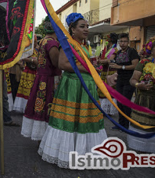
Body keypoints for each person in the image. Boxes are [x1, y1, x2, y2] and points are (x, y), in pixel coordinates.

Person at [38, 13, 107, 169]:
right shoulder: (67, 43)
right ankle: (65, 153)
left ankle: (82, 152)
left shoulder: (83, 45)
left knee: (83, 120)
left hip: (86, 86)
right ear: (72, 30)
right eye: (82, 26)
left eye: (87, 26)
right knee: (70, 120)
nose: (86, 29)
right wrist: (87, 68)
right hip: (73, 85)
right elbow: (62, 64)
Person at [21, 17, 61, 141]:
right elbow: (57, 63)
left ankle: (41, 137)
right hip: (50, 80)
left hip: (41, 78)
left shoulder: (44, 40)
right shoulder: (52, 43)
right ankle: (47, 139)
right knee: (48, 106)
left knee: (40, 106)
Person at [110, 33, 140, 129]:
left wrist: (121, 67)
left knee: (126, 102)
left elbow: (135, 65)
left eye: (124, 41)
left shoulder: (132, 52)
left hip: (129, 80)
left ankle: (128, 125)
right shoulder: (118, 53)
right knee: (119, 102)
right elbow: (113, 62)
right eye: (121, 41)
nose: (122, 43)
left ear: (128, 42)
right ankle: (121, 124)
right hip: (120, 80)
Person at [93, 33, 119, 116]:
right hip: (104, 72)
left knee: (108, 91)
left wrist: (100, 61)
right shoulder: (108, 49)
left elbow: (109, 60)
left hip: (110, 72)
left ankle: (108, 111)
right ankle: (104, 110)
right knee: (103, 90)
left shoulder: (114, 49)